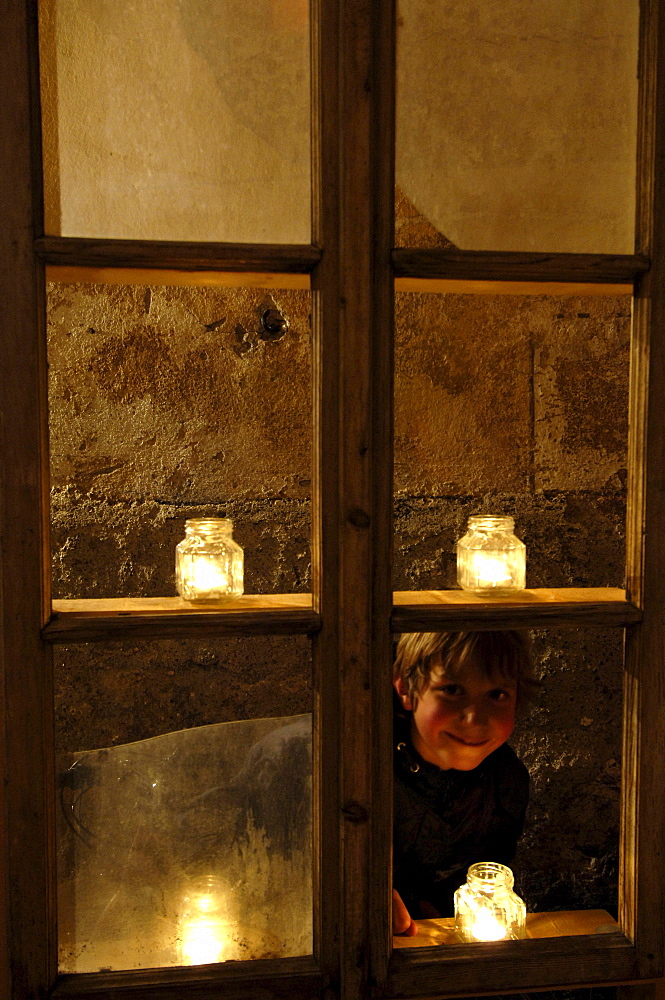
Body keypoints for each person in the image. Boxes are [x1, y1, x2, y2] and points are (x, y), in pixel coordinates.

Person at [392, 630, 537, 935]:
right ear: (406, 687)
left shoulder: (506, 783)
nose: (474, 718)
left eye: (497, 694)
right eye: (453, 690)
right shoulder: (360, 766)